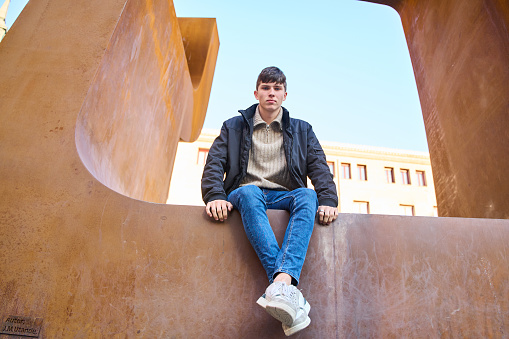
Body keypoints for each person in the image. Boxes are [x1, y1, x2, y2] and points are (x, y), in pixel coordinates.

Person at [201, 66, 338, 336]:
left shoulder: (302, 129)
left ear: (285, 95)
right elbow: (214, 162)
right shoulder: (234, 126)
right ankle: (287, 288)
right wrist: (215, 195)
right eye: (266, 87)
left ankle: (281, 287)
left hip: (284, 194)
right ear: (256, 92)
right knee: (250, 191)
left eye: (277, 89)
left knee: (307, 195)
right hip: (246, 192)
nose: (271, 93)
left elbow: (318, 166)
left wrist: (329, 199)